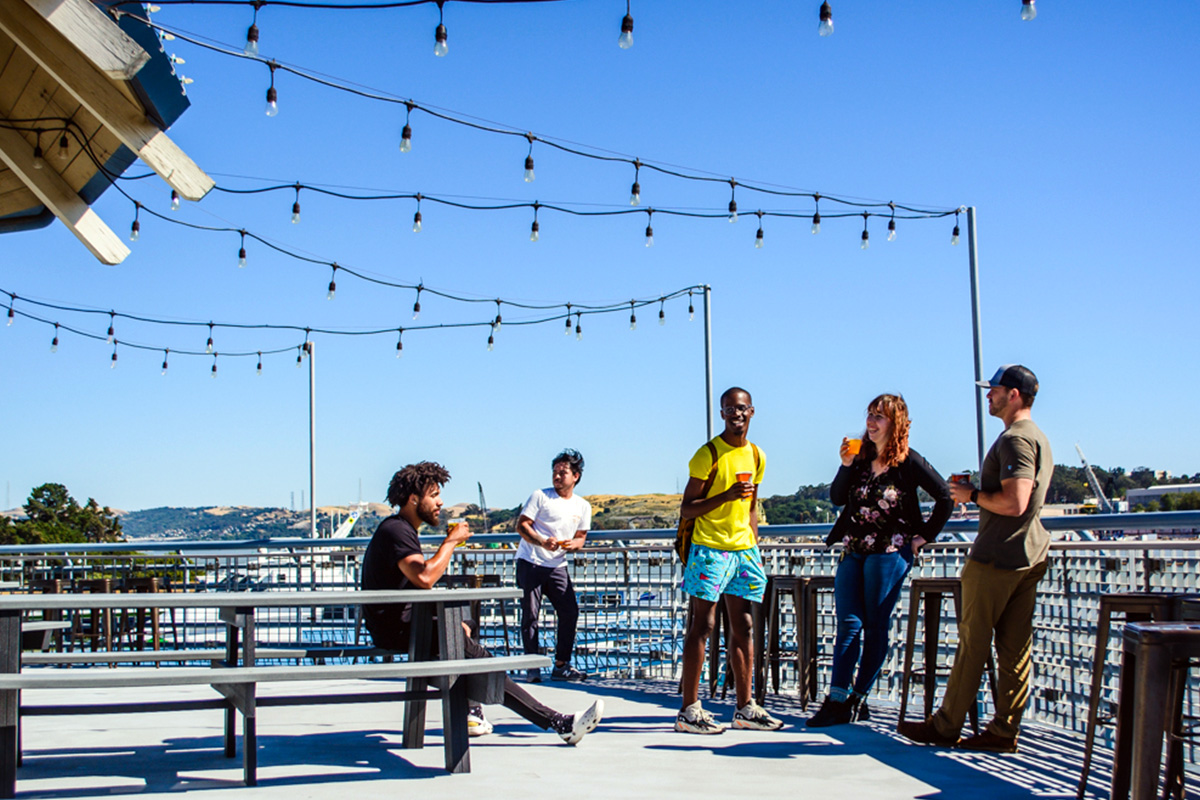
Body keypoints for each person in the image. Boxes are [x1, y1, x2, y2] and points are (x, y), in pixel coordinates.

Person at [361, 461, 603, 744]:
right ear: (414, 499)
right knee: (483, 664)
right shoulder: (397, 530)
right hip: (401, 631)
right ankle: (557, 722)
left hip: (410, 625)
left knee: (466, 625)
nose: (440, 502)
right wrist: (451, 542)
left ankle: (473, 711)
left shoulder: (400, 529)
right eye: (434, 495)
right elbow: (425, 577)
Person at [898, 365, 1053, 753]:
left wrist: (971, 497)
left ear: (1014, 394)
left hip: (997, 557)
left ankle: (946, 726)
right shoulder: (1039, 438)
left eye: (994, 390)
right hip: (1029, 554)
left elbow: (1015, 502)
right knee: (1015, 650)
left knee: (973, 643)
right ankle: (1003, 731)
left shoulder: (1015, 440)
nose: (988, 396)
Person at [806, 394, 952, 727]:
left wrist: (922, 537)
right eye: (870, 415)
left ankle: (858, 699)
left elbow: (944, 497)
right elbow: (837, 498)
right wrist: (844, 465)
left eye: (880, 417)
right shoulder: (860, 458)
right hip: (854, 548)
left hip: (889, 552)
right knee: (848, 624)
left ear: (896, 423)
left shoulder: (909, 462)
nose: (871, 422)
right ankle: (837, 700)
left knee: (874, 626)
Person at [675, 387, 783, 734]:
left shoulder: (756, 455)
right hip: (709, 549)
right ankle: (689, 711)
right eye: (728, 410)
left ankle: (745, 708)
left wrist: (755, 548)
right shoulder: (707, 455)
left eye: (741, 409)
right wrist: (725, 496)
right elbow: (687, 508)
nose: (735, 414)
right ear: (721, 414)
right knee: (702, 625)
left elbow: (752, 507)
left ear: (752, 412)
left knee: (746, 627)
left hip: (743, 551)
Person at [515, 449, 592, 684]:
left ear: (575, 476)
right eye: (555, 472)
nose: (557, 476)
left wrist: (573, 545)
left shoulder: (583, 506)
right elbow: (522, 525)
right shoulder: (540, 496)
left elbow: (581, 537)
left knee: (570, 611)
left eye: (563, 472)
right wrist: (541, 541)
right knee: (530, 616)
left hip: (558, 565)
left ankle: (561, 665)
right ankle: (532, 667)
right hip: (531, 562)